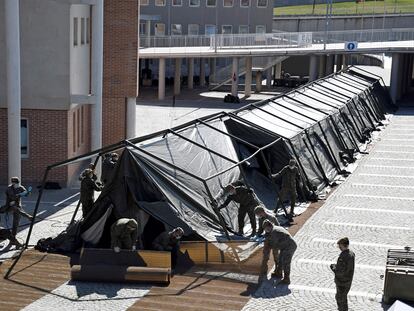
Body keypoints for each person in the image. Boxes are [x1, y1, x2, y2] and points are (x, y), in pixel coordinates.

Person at [259, 220, 297, 284]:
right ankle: (279, 273)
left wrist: (268, 245)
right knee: (280, 260)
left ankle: (287, 279)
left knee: (286, 262)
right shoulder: (274, 228)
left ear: (269, 226)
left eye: (265, 229)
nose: (265, 230)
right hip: (284, 246)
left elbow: (275, 245)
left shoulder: (275, 232)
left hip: (289, 246)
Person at [330, 237, 355, 311]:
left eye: (340, 246)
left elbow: (341, 272)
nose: (339, 248)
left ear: (344, 245)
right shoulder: (351, 253)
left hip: (342, 282)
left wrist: (333, 268)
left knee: (340, 299)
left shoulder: (344, 256)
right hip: (347, 281)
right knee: (343, 299)